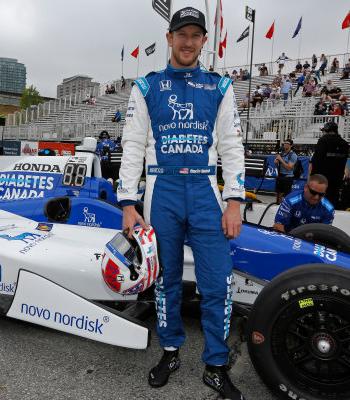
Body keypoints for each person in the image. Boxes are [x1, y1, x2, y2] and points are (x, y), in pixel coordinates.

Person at [117, 7, 245, 399]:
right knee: (165, 282)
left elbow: (231, 146)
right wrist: (128, 202)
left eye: (195, 35)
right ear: (169, 38)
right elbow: (133, 145)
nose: (188, 42)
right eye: (181, 34)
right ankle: (170, 351)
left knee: (217, 284)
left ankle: (216, 365)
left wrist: (235, 200)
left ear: (204, 41)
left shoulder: (220, 87)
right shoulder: (146, 86)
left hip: (207, 193)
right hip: (162, 191)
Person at [308, 121, 349, 209]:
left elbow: (316, 161)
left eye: (323, 131)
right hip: (337, 180)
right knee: (333, 204)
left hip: (322, 180)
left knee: (319, 204)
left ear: (327, 130)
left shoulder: (323, 141)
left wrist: (312, 177)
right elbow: (344, 162)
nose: (323, 133)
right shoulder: (345, 144)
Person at [274, 138, 298, 203]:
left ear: (291, 145)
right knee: (279, 194)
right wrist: (276, 164)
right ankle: (279, 207)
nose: (285, 145)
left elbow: (289, 168)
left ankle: (285, 208)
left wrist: (281, 160)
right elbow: (278, 167)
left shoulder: (293, 155)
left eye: (288, 144)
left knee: (286, 195)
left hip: (288, 177)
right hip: (280, 175)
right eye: (285, 143)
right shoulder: (282, 154)